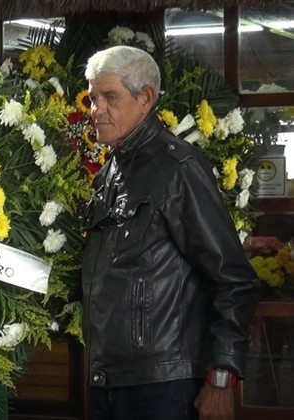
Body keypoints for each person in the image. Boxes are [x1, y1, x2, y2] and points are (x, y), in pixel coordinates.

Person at [81, 46, 259, 420]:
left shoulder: (179, 169)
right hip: (107, 381)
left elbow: (235, 280)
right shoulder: (109, 172)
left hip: (164, 388)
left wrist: (222, 377)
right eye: (93, 97)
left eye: (109, 97)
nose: (96, 110)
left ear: (145, 98)